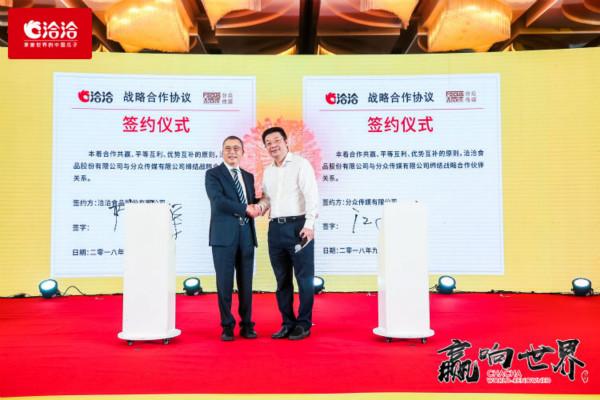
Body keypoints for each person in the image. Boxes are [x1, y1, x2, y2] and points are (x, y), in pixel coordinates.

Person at [257, 127, 319, 340]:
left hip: (298, 227)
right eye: (268, 143)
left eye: (276, 140)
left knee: (304, 279)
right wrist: (257, 208)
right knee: (282, 280)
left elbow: (311, 196)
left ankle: (303, 323)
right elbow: (267, 199)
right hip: (275, 229)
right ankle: (287, 322)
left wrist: (309, 225)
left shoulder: (301, 164)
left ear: (286, 142)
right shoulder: (268, 171)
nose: (272, 145)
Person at [205, 136, 261, 341]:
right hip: (223, 237)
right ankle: (227, 326)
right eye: (227, 148)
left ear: (243, 152)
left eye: (236, 148)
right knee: (224, 284)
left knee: (246, 283)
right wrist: (246, 208)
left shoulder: (248, 176)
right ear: (222, 152)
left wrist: (263, 203)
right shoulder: (213, 174)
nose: (232, 152)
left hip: (246, 236)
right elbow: (218, 201)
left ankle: (247, 325)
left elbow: (252, 202)